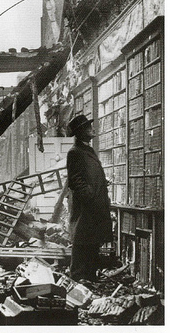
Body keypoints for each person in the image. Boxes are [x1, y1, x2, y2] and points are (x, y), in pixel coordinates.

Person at [66, 114, 113, 283]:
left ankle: (90, 281)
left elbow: (87, 175)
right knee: (81, 244)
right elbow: (75, 180)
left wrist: (100, 182)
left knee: (91, 244)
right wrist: (90, 195)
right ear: (81, 132)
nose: (92, 129)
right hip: (86, 207)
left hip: (94, 206)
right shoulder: (75, 152)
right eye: (88, 127)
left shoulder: (87, 150)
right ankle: (78, 281)